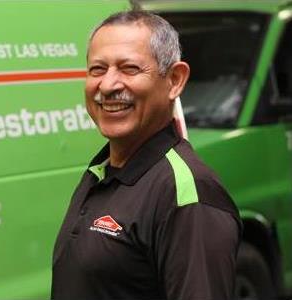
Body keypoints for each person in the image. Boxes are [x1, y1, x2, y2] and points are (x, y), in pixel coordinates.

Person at [51, 10, 241, 300]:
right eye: (97, 69)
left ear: (175, 80)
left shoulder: (187, 192)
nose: (108, 85)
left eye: (129, 68)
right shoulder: (100, 172)